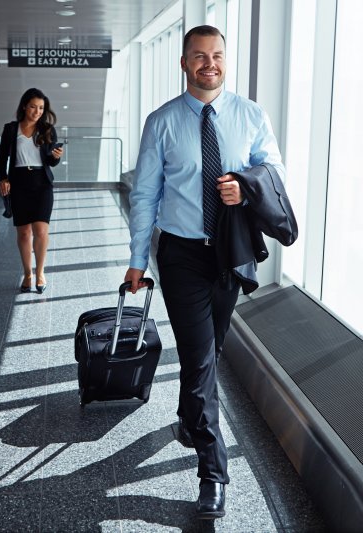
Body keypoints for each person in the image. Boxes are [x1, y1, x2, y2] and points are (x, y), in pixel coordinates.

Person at [123, 25, 285, 519]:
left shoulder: (250, 114)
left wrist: (246, 187)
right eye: (199, 56)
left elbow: (273, 172)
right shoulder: (162, 122)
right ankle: (212, 472)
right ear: (184, 63)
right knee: (199, 360)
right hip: (182, 257)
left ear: (224, 60)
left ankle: (187, 416)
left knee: (209, 350)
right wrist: (136, 260)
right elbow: (146, 194)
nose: (209, 63)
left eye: (216, 55)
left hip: (230, 252)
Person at [0, 88, 64, 293]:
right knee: (24, 233)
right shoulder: (11, 129)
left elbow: (51, 162)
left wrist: (56, 156)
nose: (37, 111)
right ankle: (28, 273)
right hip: (19, 183)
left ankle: (41, 272)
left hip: (42, 183)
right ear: (25, 106)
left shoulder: (47, 129)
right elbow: (2, 158)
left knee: (41, 230)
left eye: (41, 108)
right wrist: (3, 179)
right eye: (34, 107)